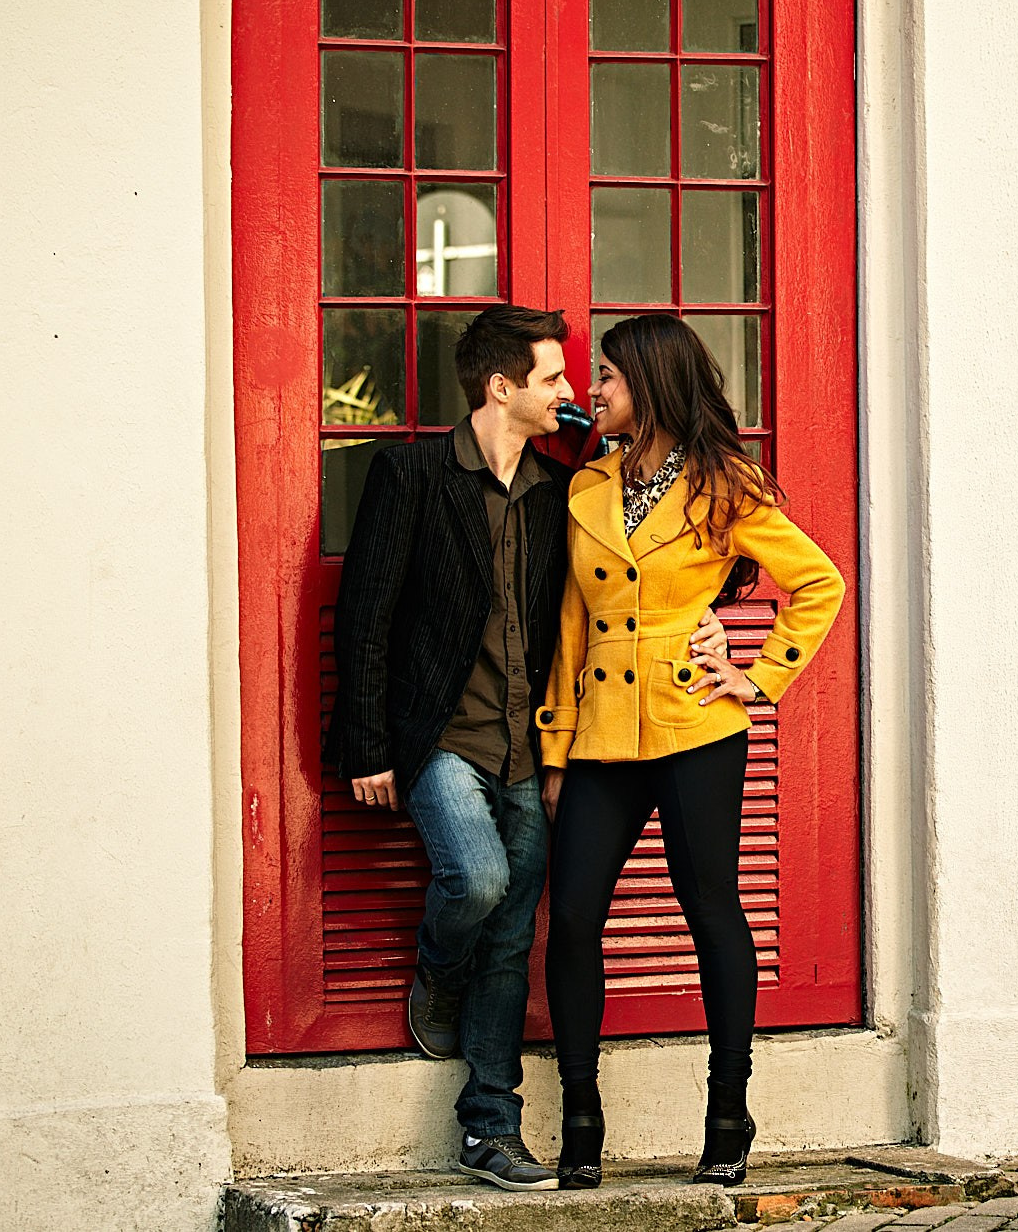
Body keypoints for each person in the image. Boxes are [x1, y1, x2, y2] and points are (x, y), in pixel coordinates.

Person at [325, 305, 728, 1192]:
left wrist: (712, 626)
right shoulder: (410, 472)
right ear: (502, 386)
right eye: (553, 377)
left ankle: (491, 1128)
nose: (570, 392)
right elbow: (366, 616)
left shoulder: (562, 488)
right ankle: (435, 973)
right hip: (439, 735)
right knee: (478, 880)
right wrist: (364, 745)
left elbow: (671, 568)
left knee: (514, 937)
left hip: (531, 740)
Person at [540, 313, 846, 1190]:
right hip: (600, 731)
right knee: (572, 919)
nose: (593, 390)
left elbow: (818, 580)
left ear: (650, 382)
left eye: (606, 375)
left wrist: (759, 675)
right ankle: (580, 1117)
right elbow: (570, 621)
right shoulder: (587, 482)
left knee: (712, 908)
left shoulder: (725, 483)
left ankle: (727, 1108)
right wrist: (556, 749)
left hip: (693, 724)